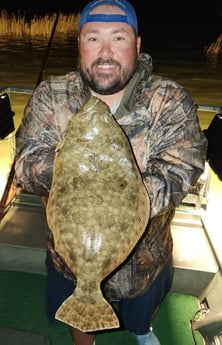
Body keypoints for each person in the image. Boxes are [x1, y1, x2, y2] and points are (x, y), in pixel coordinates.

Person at [14, 0, 207, 344]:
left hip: (144, 264)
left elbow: (183, 170)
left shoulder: (170, 99)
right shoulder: (51, 96)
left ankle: (142, 330)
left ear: (137, 45)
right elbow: (26, 164)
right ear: (80, 45)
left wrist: (115, 184)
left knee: (142, 314)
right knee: (81, 312)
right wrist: (71, 170)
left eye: (118, 38)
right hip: (71, 262)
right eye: (93, 38)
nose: (105, 52)